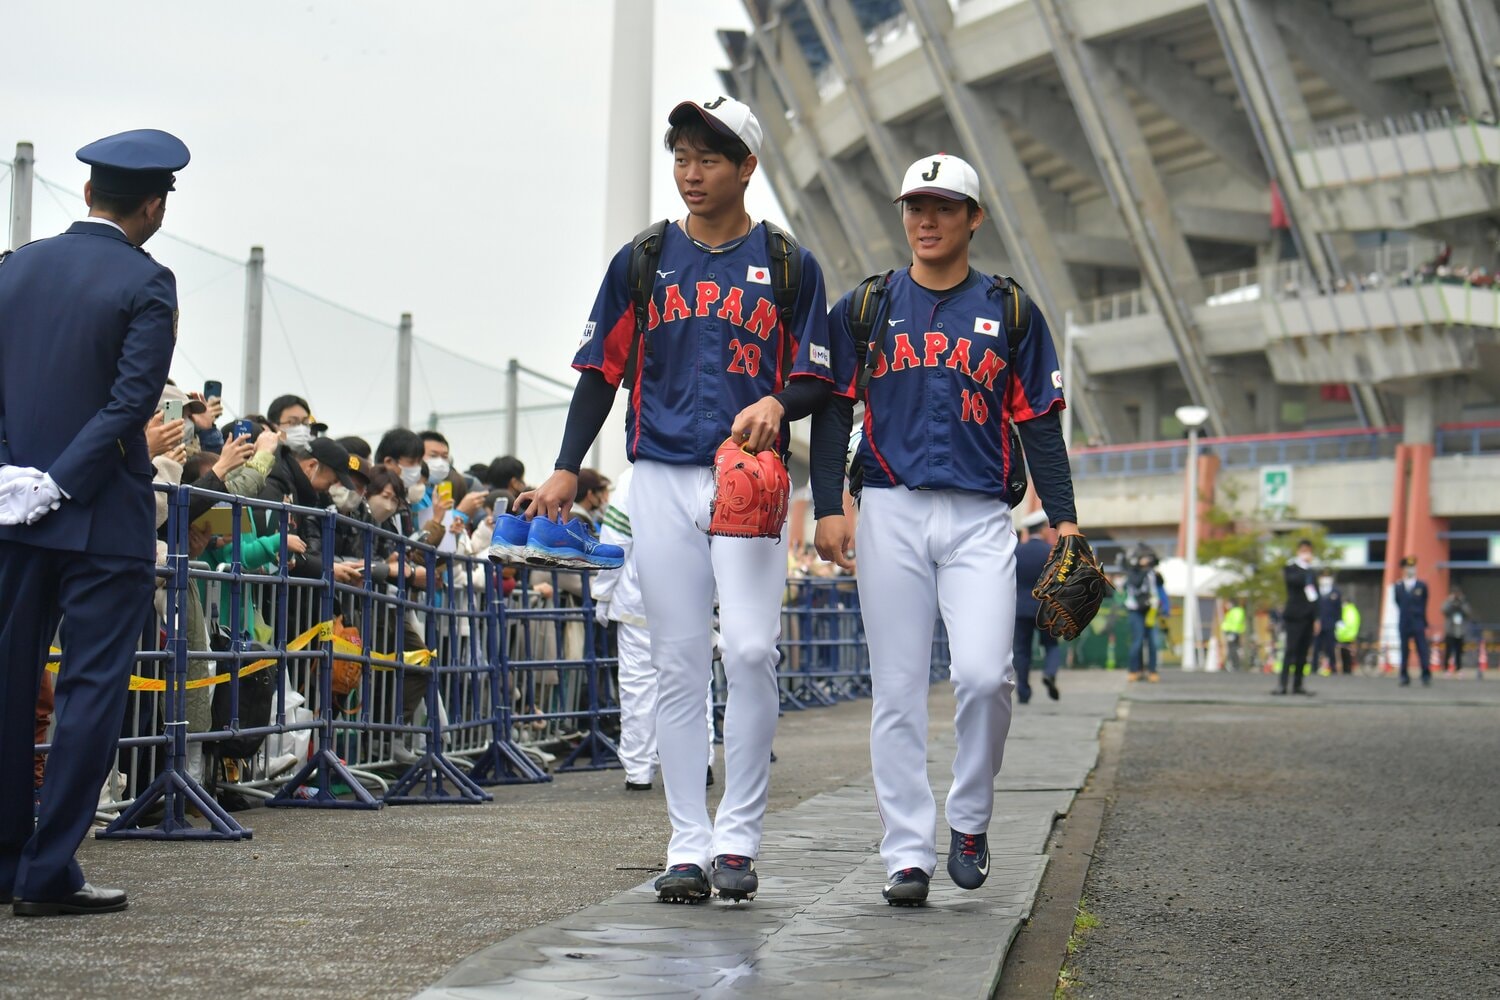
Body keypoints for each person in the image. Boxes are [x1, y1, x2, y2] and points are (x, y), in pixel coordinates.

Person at [518, 96, 842, 904]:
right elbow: (602, 370)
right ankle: (689, 842)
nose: (692, 173)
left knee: (752, 651)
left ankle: (741, 835)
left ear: (747, 168)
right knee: (676, 660)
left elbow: (819, 374)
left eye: (709, 158)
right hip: (660, 473)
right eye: (682, 157)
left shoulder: (791, 263)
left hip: (749, 477)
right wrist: (565, 465)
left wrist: (780, 402)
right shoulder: (646, 256)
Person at [812, 153, 1088, 907]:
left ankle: (969, 817)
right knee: (897, 691)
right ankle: (906, 852)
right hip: (890, 508)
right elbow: (837, 407)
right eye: (914, 207)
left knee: (984, 676)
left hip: (979, 517)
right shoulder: (867, 305)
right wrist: (828, 504)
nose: (926, 221)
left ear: (975, 216)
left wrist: (1063, 521)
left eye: (942, 207)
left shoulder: (1011, 310)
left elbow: (1038, 423)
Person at [0, 128, 190, 916]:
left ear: (85, 194)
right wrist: (62, 480)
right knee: (89, 692)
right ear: (152, 205)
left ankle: (5, 858)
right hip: (101, 511)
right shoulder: (149, 282)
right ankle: (48, 874)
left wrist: (16, 475)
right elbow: (130, 401)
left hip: (10, 508)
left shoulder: (14, 268)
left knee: (9, 682)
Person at [591, 466, 715, 791]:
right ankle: (700, 763)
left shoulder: (631, 479)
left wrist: (602, 595)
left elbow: (615, 542)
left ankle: (638, 770)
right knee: (696, 684)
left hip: (639, 600)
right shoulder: (712, 471)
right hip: (693, 597)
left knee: (638, 688)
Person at [1012, 509, 1061, 703]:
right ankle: (1049, 673)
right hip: (1046, 609)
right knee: (1051, 646)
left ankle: (1023, 692)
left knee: (1022, 650)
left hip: (1021, 608)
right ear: (1042, 529)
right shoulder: (1051, 552)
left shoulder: (1016, 552)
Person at [1276, 539, 1318, 696]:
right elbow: (1293, 582)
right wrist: (1304, 568)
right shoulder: (1292, 568)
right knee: (1290, 651)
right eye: (1304, 550)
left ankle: (1298, 685)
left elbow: (1315, 596)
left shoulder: (1312, 572)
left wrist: (1317, 618)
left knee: (1303, 653)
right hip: (1294, 616)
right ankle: (1282, 684)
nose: (1306, 553)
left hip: (1308, 617)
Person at [1393, 555, 1432, 687]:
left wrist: (1423, 619)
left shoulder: (1422, 585)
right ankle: (1404, 675)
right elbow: (1398, 602)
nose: (1411, 569)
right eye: (1408, 567)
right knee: (1404, 650)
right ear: (1403, 569)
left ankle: (1426, 675)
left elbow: (1425, 602)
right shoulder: (1398, 586)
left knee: (1422, 649)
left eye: (1413, 567)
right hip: (1404, 622)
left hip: (1418, 621)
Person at [1123, 548, 1159, 682]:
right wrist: (1143, 569)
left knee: (1153, 642)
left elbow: (1159, 586)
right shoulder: (1133, 572)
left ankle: (1152, 670)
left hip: (1151, 610)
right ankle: (1134, 669)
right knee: (1137, 642)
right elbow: (1136, 583)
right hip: (1136, 610)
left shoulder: (1152, 573)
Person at [1312, 571, 1343, 676]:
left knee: (1331, 646)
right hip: (1317, 624)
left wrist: (1339, 620)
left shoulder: (1336, 592)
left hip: (1330, 624)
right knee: (1316, 646)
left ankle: (1333, 667)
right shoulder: (1315, 591)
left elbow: (1338, 609)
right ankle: (1314, 667)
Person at [1442, 586, 1474, 674]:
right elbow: (1443, 610)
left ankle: (1459, 668)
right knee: (1448, 650)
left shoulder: (1462, 603)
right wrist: (1450, 601)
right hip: (1450, 630)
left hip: (1460, 630)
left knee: (1459, 651)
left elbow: (1468, 612)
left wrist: (1462, 602)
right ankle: (1446, 668)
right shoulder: (1449, 602)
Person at [1220, 599, 1247, 672]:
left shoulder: (1236, 611)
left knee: (1233, 649)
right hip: (1232, 632)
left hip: (1233, 632)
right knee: (1232, 649)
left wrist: (1233, 633)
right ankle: (1233, 664)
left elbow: (1236, 622)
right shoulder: (1234, 611)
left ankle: (1235, 665)